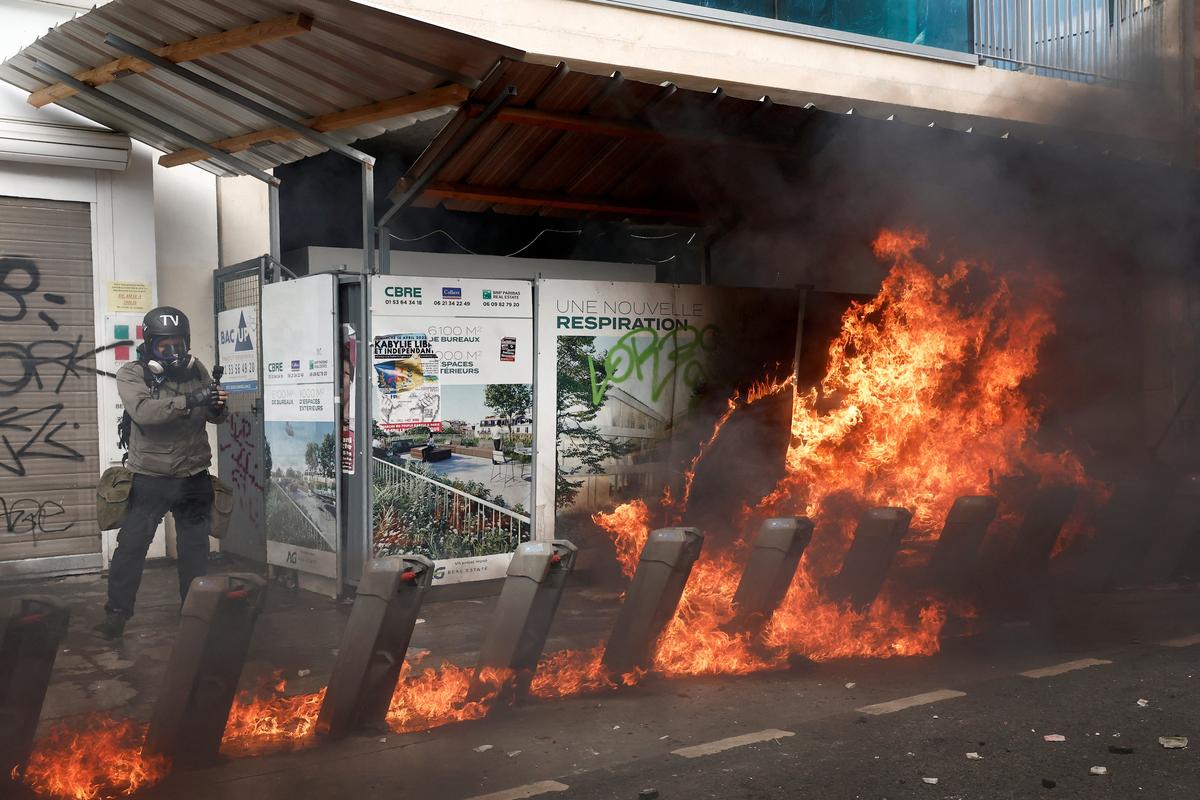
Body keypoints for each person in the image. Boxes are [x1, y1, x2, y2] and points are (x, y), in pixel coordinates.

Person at [94, 306, 229, 639]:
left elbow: (213, 417)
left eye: (178, 344)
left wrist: (216, 406)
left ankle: (195, 615)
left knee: (195, 550)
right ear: (150, 344)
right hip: (150, 476)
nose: (173, 352)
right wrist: (190, 400)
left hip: (193, 473)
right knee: (131, 547)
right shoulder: (132, 374)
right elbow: (144, 412)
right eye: (164, 346)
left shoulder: (196, 369)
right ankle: (116, 614)